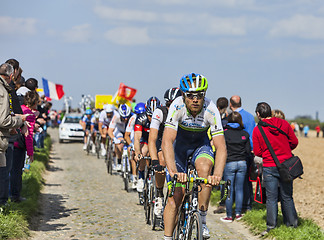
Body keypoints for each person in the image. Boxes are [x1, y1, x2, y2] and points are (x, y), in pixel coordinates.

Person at [162, 73, 226, 239]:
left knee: (205, 170)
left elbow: (221, 146)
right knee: (175, 196)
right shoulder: (176, 106)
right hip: (179, 150)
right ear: (183, 96)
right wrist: (173, 171)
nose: (195, 99)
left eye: (199, 95)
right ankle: (167, 237)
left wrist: (217, 175)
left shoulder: (210, 109)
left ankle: (202, 220)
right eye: (190, 96)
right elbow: (167, 141)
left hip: (200, 146)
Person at [252, 102, 298, 236]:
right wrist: (285, 149)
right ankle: (292, 225)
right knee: (287, 196)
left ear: (258, 114)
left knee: (271, 198)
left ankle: (271, 226)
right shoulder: (284, 124)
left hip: (269, 166)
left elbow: (258, 152)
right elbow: (294, 141)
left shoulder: (257, 130)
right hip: (286, 165)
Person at [148, 87, 181, 218]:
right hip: (162, 142)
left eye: (173, 104)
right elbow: (152, 139)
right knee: (161, 159)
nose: (170, 107)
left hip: (178, 143)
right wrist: (155, 161)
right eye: (168, 104)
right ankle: (160, 194)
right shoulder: (160, 112)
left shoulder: (184, 111)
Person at [0, 63, 26, 205]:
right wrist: (19, 120)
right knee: (4, 173)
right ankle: (3, 206)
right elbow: (3, 120)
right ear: (11, 76)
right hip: (1, 140)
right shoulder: (3, 91)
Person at [220, 112, 252, 222]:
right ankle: (238, 213)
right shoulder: (245, 133)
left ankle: (229, 216)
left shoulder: (225, 133)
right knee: (239, 189)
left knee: (229, 189)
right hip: (242, 163)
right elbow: (248, 150)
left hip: (229, 163)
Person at [11, 91, 39, 202]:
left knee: (10, 171)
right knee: (17, 172)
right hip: (20, 145)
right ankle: (15, 196)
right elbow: (28, 135)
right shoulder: (29, 115)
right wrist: (30, 153)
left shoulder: (20, 109)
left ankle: (9, 195)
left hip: (12, 142)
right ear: (34, 102)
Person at [230, 95, 255, 212]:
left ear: (231, 104)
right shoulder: (250, 117)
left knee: (232, 183)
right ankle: (247, 205)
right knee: (246, 182)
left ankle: (232, 207)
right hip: (249, 151)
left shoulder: (231, 117)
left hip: (233, 154)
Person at [134, 97, 161, 193]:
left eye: (154, 115)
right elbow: (137, 138)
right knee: (143, 151)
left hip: (157, 139)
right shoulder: (141, 118)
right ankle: (141, 177)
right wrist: (137, 153)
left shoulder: (162, 117)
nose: (152, 118)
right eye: (150, 115)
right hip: (145, 139)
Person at [213, 97, 229, 214]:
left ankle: (222, 202)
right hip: (226, 151)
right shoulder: (228, 120)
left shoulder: (214, 117)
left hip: (214, 150)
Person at [124, 102, 145, 189]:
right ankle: (134, 177)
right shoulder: (133, 118)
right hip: (135, 137)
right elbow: (126, 135)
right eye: (138, 114)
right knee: (132, 153)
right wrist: (131, 144)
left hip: (144, 138)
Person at [108, 104, 133, 171]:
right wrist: (114, 138)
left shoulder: (133, 116)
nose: (125, 119)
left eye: (127, 117)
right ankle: (119, 162)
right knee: (119, 145)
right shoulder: (116, 117)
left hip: (129, 132)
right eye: (123, 117)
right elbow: (110, 130)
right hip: (120, 131)